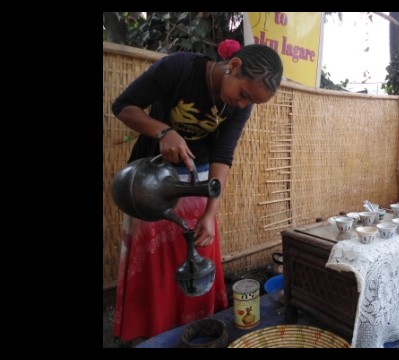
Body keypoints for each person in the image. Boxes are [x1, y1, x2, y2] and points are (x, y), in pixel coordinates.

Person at [111, 41, 283, 345]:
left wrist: (210, 212)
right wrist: (163, 131)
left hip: (198, 182)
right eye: (243, 95)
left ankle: (196, 329)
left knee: (198, 254)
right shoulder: (178, 68)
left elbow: (223, 154)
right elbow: (123, 107)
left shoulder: (240, 107)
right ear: (233, 66)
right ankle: (151, 334)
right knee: (155, 265)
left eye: (251, 102)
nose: (243, 106)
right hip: (150, 179)